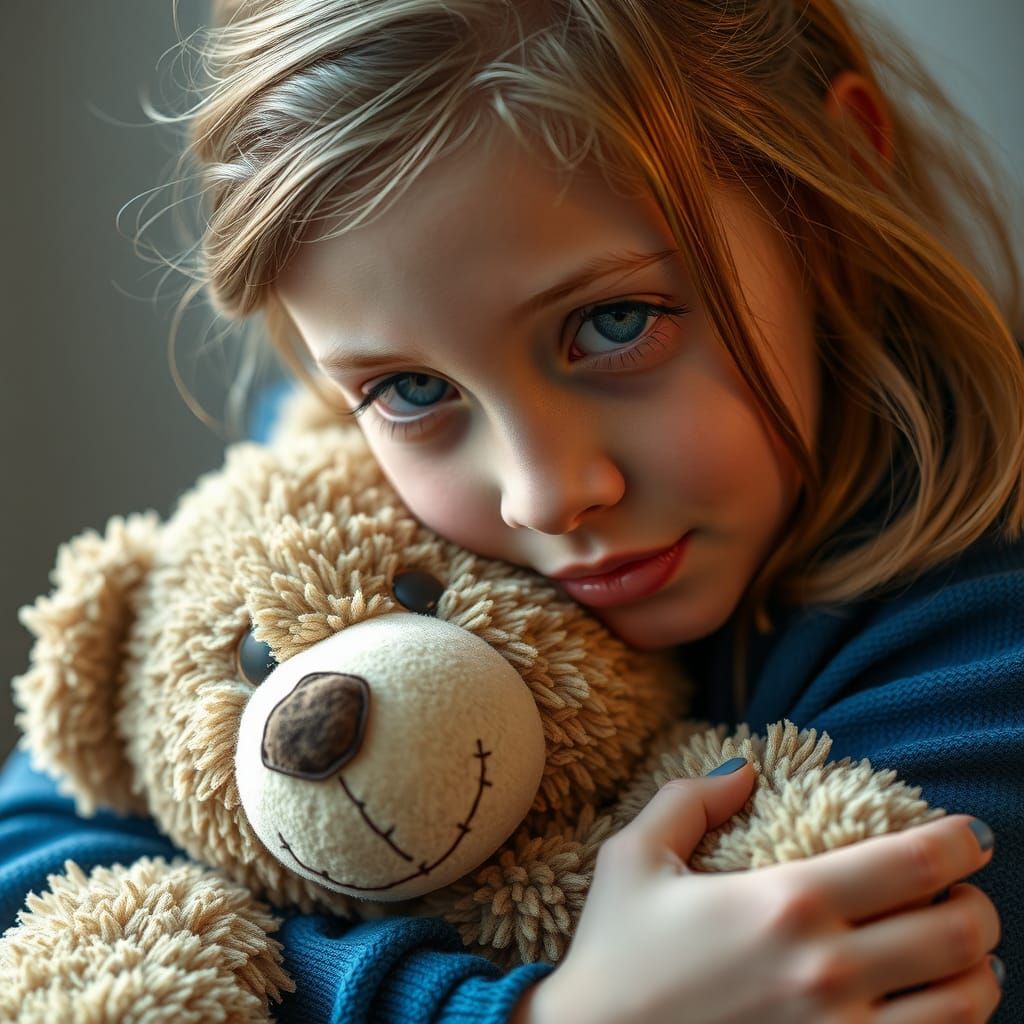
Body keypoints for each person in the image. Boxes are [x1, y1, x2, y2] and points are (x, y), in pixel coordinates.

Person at [3, 0, 1023, 1020]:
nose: (544, 493)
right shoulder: (331, 483)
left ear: (832, 192)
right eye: (409, 389)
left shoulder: (986, 647)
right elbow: (36, 871)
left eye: (613, 323)